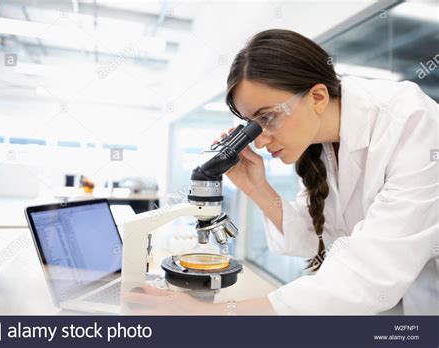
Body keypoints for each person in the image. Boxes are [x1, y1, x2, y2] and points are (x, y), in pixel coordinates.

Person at [123, 29, 438, 315]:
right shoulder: (321, 145)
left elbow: (371, 274)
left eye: (268, 118)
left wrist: (210, 314)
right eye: (252, 126)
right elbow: (313, 239)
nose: (259, 141)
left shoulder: (411, 122)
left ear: (317, 97)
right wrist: (257, 188)